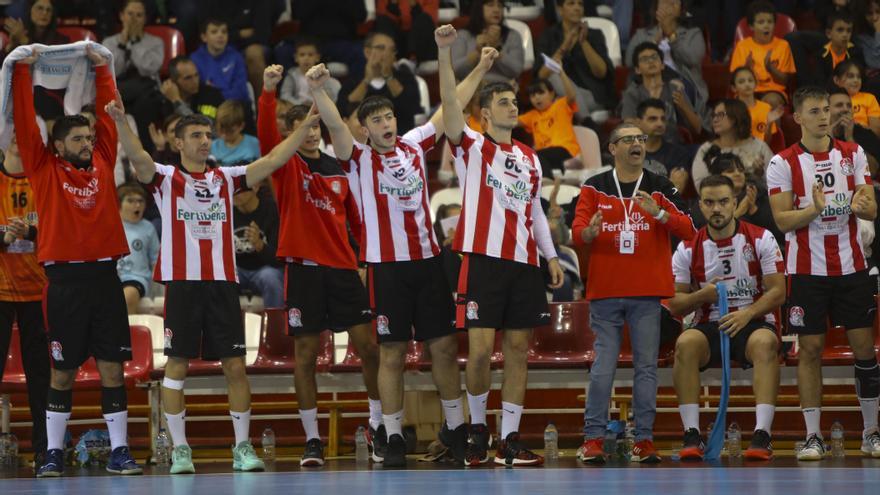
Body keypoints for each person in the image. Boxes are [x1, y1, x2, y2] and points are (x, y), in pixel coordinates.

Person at [309, 37, 498, 466]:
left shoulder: (414, 144)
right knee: (392, 353)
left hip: (429, 264)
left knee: (444, 348)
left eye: (389, 115)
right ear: (365, 129)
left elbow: (450, 106)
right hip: (387, 269)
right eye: (375, 120)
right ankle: (392, 436)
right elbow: (336, 127)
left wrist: (481, 69)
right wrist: (319, 91)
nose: (385, 123)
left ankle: (454, 429)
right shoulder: (355, 157)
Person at [107, 93, 318, 474]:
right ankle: (181, 450)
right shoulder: (166, 178)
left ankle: (242, 448)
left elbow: (272, 160)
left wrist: (303, 126)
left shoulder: (228, 177)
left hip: (222, 283)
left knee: (235, 366)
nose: (205, 140)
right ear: (178, 143)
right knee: (177, 366)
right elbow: (138, 157)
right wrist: (123, 122)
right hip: (184, 285)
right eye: (196, 135)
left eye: (208, 134)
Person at [10, 47, 142, 477]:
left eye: (89, 138)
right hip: (63, 284)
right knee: (61, 372)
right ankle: (52, 452)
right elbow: (25, 115)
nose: (88, 144)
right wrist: (24, 67)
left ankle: (120, 451)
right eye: (78, 139)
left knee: (111, 369)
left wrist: (104, 66)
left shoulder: (104, 160)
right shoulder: (43, 168)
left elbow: (107, 114)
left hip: (105, 278)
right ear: (58, 144)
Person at [438, 24, 564, 467]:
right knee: (477, 352)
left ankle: (508, 438)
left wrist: (550, 255)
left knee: (516, 351)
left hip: (524, 263)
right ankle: (477, 432)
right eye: (504, 101)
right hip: (482, 260)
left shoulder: (530, 157)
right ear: (485, 114)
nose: (514, 105)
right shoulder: (470, 145)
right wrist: (446, 53)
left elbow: (533, 213)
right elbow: (449, 106)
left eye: (515, 100)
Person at [259, 66, 382, 466]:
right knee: (307, 355)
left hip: (344, 271)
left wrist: (364, 258)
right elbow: (265, 134)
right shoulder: (285, 167)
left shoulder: (339, 168)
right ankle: (312, 440)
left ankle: (379, 426)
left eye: (315, 126)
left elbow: (358, 221)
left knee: (369, 348)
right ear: (292, 132)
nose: (312, 133)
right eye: (304, 127)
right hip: (305, 272)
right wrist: (268, 92)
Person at [766, 86, 880, 460]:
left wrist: (862, 206)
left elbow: (870, 210)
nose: (823, 116)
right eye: (814, 111)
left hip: (852, 267)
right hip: (806, 271)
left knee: (865, 349)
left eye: (826, 109)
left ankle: (871, 432)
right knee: (810, 351)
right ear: (797, 117)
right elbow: (782, 221)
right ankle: (813, 436)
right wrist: (815, 209)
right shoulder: (782, 162)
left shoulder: (853, 153)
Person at [571, 122, 695, 464]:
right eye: (628, 139)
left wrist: (658, 213)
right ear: (613, 148)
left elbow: (689, 228)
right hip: (606, 291)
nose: (637, 144)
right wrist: (589, 233)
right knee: (603, 367)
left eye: (640, 139)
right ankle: (593, 438)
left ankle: (644, 440)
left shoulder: (659, 187)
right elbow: (577, 231)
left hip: (647, 292)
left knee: (646, 368)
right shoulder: (594, 187)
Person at [668, 173, 785, 461]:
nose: (716, 209)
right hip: (709, 323)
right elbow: (674, 303)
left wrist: (747, 314)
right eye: (709, 203)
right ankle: (692, 433)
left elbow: (778, 291)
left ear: (735, 202)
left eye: (723, 201)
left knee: (765, 345)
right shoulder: (686, 248)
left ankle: (762, 434)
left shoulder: (761, 238)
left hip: (754, 321)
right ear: (700, 206)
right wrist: (701, 297)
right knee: (685, 344)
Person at [0, 137, 49, 468]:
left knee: (41, 378)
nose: (20, 137)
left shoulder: (45, 181)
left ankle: (46, 450)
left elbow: (66, 230)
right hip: (1, 292)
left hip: (39, 292)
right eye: (12, 131)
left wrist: (31, 232)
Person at [102, 0, 165, 151]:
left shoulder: (156, 42)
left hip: (147, 88)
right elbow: (112, 71)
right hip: (120, 88)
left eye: (139, 15)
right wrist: (123, 42)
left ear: (144, 19)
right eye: (130, 14)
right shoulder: (109, 42)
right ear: (122, 16)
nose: (133, 19)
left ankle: (146, 151)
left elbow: (148, 69)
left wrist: (135, 42)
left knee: (146, 102)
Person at [535, 0, 615, 116]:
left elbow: (601, 72)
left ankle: (585, 120)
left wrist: (584, 42)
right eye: (571, 3)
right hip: (559, 95)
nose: (577, 8)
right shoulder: (548, 36)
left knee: (559, 105)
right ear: (560, 9)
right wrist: (564, 46)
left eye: (580, 4)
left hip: (592, 96)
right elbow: (542, 75)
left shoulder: (595, 35)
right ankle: (587, 121)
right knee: (555, 74)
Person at [625, 0, 709, 112]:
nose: (670, 5)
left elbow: (693, 59)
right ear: (656, 8)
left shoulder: (692, 34)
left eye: (674, 2)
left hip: (684, 88)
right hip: (648, 85)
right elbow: (629, 61)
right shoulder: (642, 34)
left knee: (671, 89)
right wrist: (653, 42)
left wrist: (671, 35)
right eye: (665, 2)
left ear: (681, 10)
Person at [690, 151, 785, 249]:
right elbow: (707, 237)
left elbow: (778, 233)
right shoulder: (706, 202)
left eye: (740, 170)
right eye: (730, 171)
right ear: (717, 176)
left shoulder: (758, 194)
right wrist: (739, 212)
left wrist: (754, 211)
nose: (737, 174)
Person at [337, 31, 421, 134]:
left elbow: (411, 108)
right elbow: (345, 111)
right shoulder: (353, 80)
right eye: (381, 48)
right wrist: (367, 80)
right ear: (367, 52)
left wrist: (388, 76)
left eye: (392, 50)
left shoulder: (405, 77)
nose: (386, 53)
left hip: (400, 138)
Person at [621, 42, 705, 143]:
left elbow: (697, 128)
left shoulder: (674, 89)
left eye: (654, 57)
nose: (651, 61)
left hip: (673, 145)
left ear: (662, 65)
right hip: (644, 146)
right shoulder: (633, 93)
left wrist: (684, 106)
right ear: (638, 70)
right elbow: (628, 128)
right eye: (644, 59)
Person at [691, 99, 774, 189]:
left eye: (720, 115)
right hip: (718, 200)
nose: (714, 119)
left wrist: (759, 174)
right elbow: (701, 185)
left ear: (736, 116)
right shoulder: (706, 149)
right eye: (713, 116)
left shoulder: (759, 147)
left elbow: (775, 181)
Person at [728, 0, 795, 109]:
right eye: (761, 22)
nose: (766, 26)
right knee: (744, 103)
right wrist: (746, 69)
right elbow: (734, 79)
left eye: (770, 22)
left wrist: (770, 69)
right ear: (751, 26)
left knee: (770, 102)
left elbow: (785, 81)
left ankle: (773, 127)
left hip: (774, 91)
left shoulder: (783, 45)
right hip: (747, 90)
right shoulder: (742, 46)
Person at [519, 70, 580, 178]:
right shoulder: (532, 115)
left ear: (552, 94)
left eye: (541, 93)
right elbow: (510, 121)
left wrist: (562, 73)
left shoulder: (561, 105)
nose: (537, 97)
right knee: (525, 158)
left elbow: (572, 96)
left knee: (535, 155)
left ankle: (547, 182)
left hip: (565, 151)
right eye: (533, 95)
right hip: (545, 156)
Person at [231, 184, 284, 309]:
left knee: (271, 279)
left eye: (238, 190)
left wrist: (259, 244)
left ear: (255, 187)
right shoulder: (226, 210)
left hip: (265, 267)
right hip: (238, 269)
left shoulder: (272, 210)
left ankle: (274, 325)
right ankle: (224, 326)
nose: (233, 194)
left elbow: (280, 260)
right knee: (221, 280)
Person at [451, 0, 524, 84]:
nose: (496, 10)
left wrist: (496, 49)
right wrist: (478, 52)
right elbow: (455, 70)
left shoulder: (512, 35)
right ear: (479, 8)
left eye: (500, 6)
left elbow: (516, 70)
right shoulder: (463, 35)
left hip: (502, 89)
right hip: (472, 89)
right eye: (490, 5)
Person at [117, 183, 159, 314]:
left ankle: (127, 334)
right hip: (110, 277)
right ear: (119, 204)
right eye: (130, 201)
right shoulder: (109, 225)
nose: (137, 205)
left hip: (136, 277)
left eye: (140, 201)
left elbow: (156, 260)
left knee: (128, 296)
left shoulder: (148, 228)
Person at [637, 98, 695, 192]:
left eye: (663, 119)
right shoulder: (628, 153)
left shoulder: (679, 154)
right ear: (639, 122)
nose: (660, 123)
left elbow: (676, 193)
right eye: (653, 119)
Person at [190, 18, 250, 105]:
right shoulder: (195, 59)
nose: (220, 35)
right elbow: (197, 92)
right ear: (204, 37)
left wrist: (218, 96)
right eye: (214, 32)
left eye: (224, 32)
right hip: (207, 105)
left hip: (233, 106)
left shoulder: (236, 57)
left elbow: (241, 91)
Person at [829, 86, 880, 173]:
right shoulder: (817, 135)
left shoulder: (864, 133)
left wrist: (850, 139)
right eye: (839, 105)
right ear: (826, 110)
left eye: (849, 105)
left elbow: (872, 171)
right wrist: (828, 139)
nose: (845, 109)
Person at [279, 36, 341, 105]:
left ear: (317, 57)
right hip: (297, 109)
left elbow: (331, 95)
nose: (306, 58)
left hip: (318, 108)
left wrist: (317, 105)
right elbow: (285, 95)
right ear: (296, 58)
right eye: (302, 55)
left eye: (310, 55)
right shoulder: (292, 74)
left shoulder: (322, 75)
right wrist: (299, 105)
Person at [731, 66, 784, 145]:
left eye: (750, 80)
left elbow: (767, 144)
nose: (747, 84)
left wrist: (769, 124)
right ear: (734, 88)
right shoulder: (730, 110)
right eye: (741, 81)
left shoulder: (766, 108)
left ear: (756, 84)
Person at [161, 56, 226, 120]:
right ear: (174, 81)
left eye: (196, 75)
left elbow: (202, 126)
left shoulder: (211, 95)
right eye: (188, 78)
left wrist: (177, 102)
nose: (195, 81)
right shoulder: (166, 101)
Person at [374, 0, 438, 63]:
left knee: (424, 19)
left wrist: (414, 5)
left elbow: (429, 21)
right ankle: (388, 62)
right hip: (397, 40)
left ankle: (413, 61)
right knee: (382, 21)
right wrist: (393, 4)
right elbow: (384, 17)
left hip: (419, 42)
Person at [2, 0, 69, 55]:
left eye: (49, 10)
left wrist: (24, 40)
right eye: (40, 8)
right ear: (30, 11)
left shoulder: (62, 41)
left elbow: (48, 61)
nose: (45, 13)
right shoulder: (19, 34)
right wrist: (11, 46)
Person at [831, 60, 880, 135]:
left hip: (864, 139)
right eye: (850, 76)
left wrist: (854, 126)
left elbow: (876, 131)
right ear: (837, 80)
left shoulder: (869, 98)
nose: (856, 80)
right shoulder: (830, 98)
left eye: (859, 77)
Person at [211, 100, 261, 166]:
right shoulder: (213, 147)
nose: (225, 135)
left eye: (231, 131)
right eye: (222, 130)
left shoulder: (254, 144)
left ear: (241, 126)